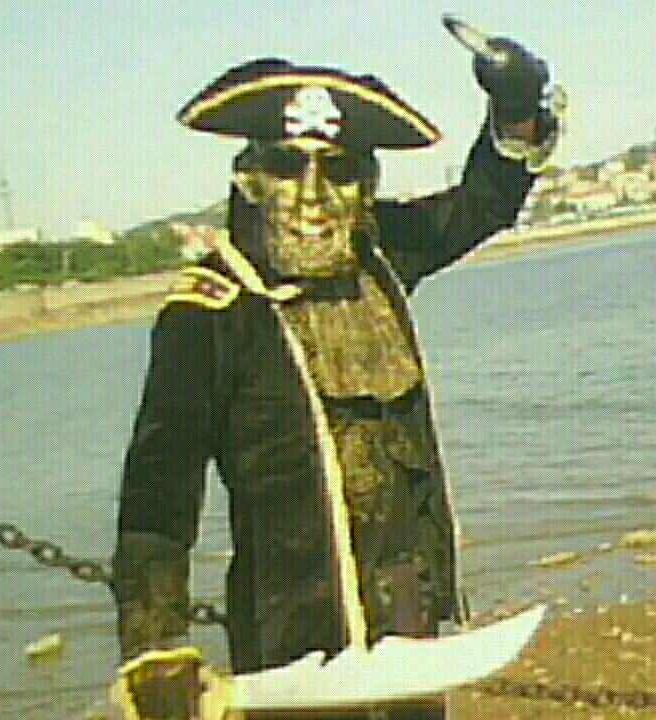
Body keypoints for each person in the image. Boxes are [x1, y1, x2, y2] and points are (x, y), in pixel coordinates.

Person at [111, 39, 560, 718]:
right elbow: (158, 494)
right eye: (288, 166)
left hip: (408, 626)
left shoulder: (379, 256)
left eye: (341, 171)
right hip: (294, 641)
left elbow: (481, 204)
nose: (313, 195)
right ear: (250, 179)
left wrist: (516, 110)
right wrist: (154, 645)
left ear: (366, 188)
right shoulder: (208, 313)